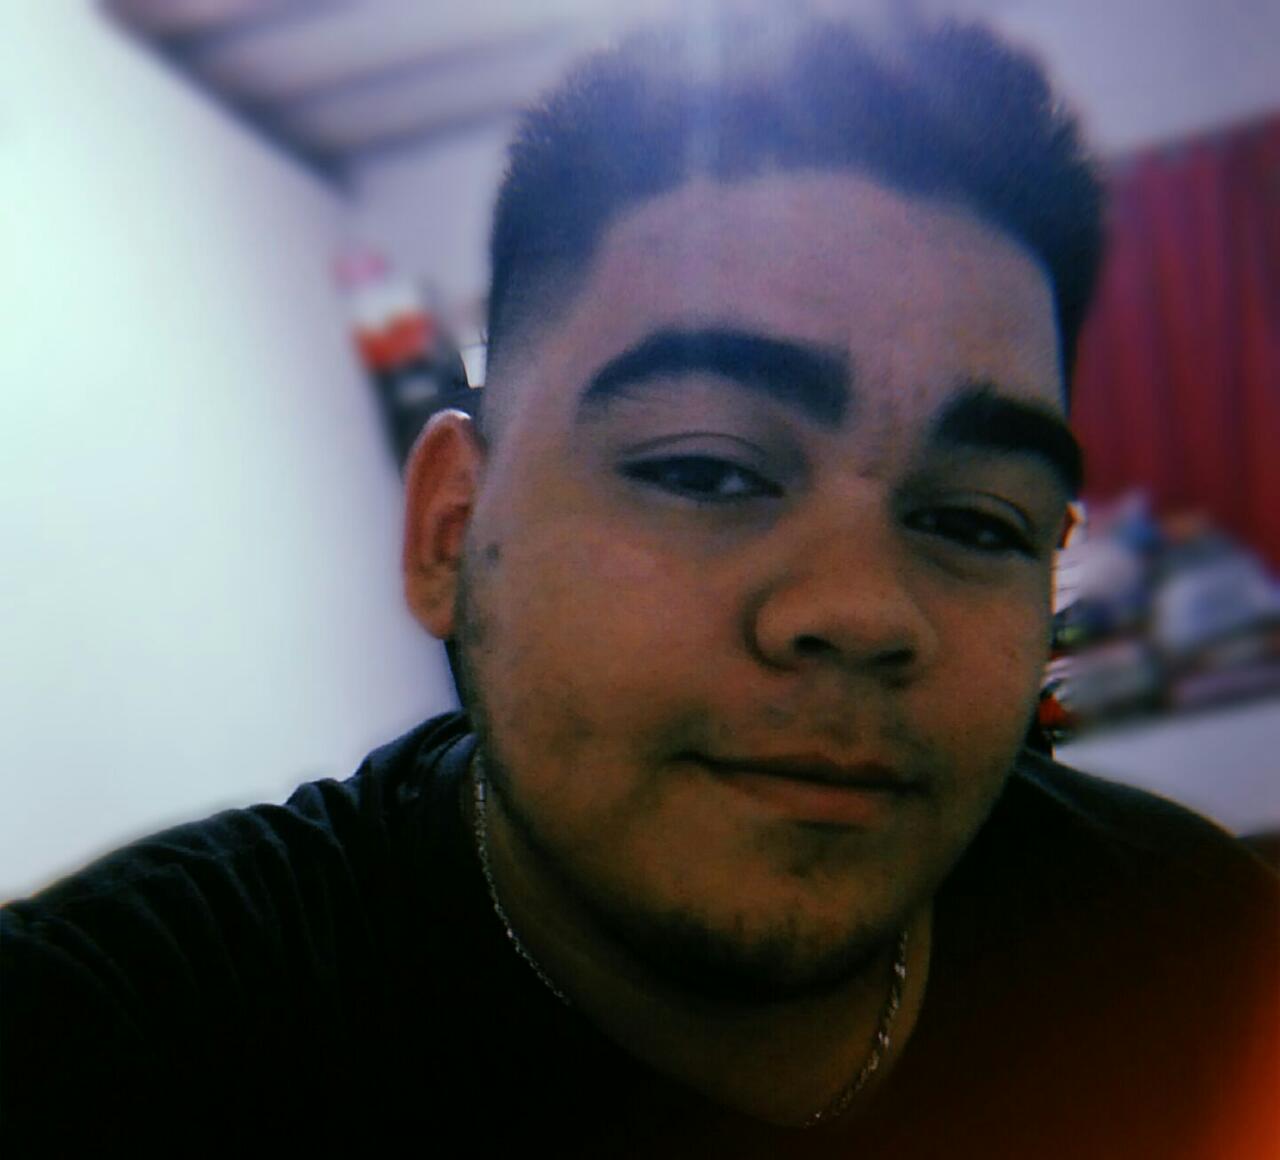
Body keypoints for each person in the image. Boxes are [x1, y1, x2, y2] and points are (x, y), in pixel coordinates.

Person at [2, 14, 1275, 1158]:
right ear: (451, 530)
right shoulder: (128, 1040)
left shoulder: (1188, 952)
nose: (861, 611)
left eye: (972, 520)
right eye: (704, 470)